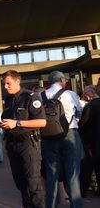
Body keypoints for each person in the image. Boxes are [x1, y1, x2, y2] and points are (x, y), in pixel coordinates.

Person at [0, 70, 46, 208]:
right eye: (4, 84)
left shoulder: (31, 97)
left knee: (34, 186)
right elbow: (8, 118)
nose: (5, 86)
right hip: (13, 145)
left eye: (8, 83)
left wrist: (17, 123)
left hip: (28, 145)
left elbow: (42, 122)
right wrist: (4, 124)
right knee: (21, 184)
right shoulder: (8, 99)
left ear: (17, 81)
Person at [41, 71, 83, 208]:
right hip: (69, 134)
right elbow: (79, 113)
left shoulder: (42, 96)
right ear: (61, 80)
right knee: (72, 174)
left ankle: (51, 205)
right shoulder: (70, 94)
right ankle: (75, 205)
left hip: (48, 137)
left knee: (51, 174)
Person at [79, 85, 100, 197]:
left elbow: (82, 123)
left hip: (91, 142)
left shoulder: (91, 106)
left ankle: (83, 191)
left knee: (87, 167)